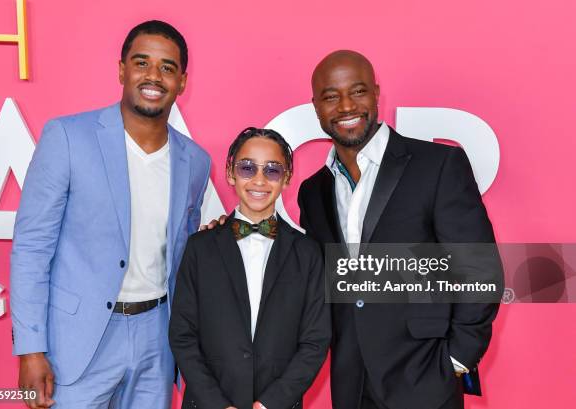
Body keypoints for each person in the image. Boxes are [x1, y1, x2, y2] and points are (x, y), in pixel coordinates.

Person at [10, 20, 210, 408]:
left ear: (182, 81)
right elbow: (32, 248)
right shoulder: (67, 137)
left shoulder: (196, 161)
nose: (154, 76)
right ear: (122, 69)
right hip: (76, 341)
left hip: (157, 339)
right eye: (142, 63)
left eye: (167, 67)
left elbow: (182, 254)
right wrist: (31, 348)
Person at [297, 50, 499, 409]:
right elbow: (316, 281)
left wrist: (456, 358)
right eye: (331, 96)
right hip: (351, 381)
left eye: (357, 91)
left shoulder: (437, 165)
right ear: (316, 107)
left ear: (376, 94)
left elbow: (478, 266)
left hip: (424, 376)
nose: (346, 106)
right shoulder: (312, 192)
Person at [169, 127, 331, 409]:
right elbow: (183, 336)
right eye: (247, 168)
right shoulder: (199, 248)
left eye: (272, 170)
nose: (259, 180)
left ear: (287, 178)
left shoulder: (308, 253)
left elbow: (315, 341)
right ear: (231, 172)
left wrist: (270, 403)